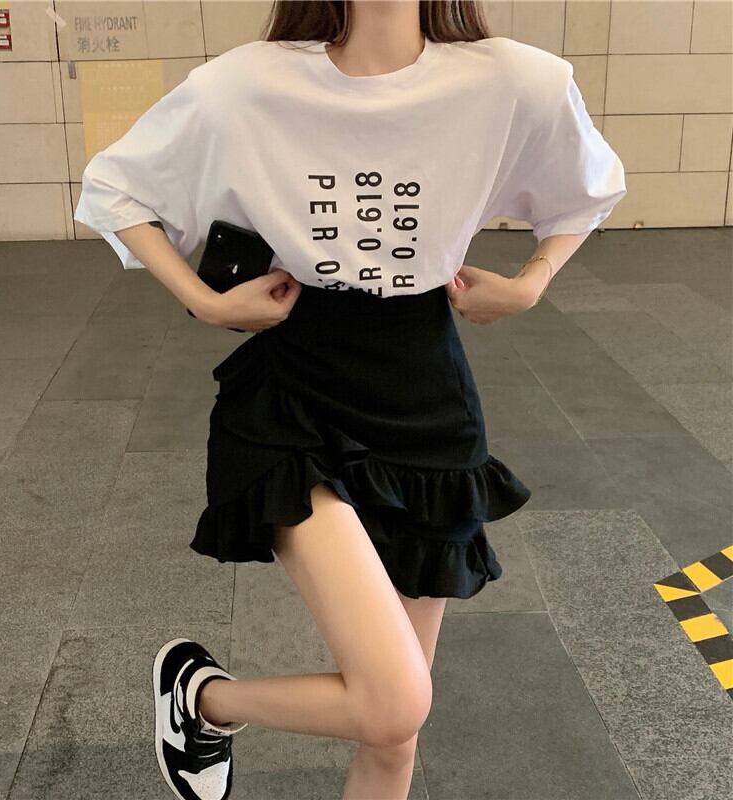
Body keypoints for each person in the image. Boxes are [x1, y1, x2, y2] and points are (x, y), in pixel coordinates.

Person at [74, 2, 627, 798]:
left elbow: (590, 187)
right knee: (395, 700)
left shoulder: (511, 81)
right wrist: (206, 301)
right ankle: (200, 699)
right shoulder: (252, 84)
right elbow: (114, 188)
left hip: (428, 404)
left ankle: (203, 703)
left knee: (393, 736)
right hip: (296, 398)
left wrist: (532, 282)